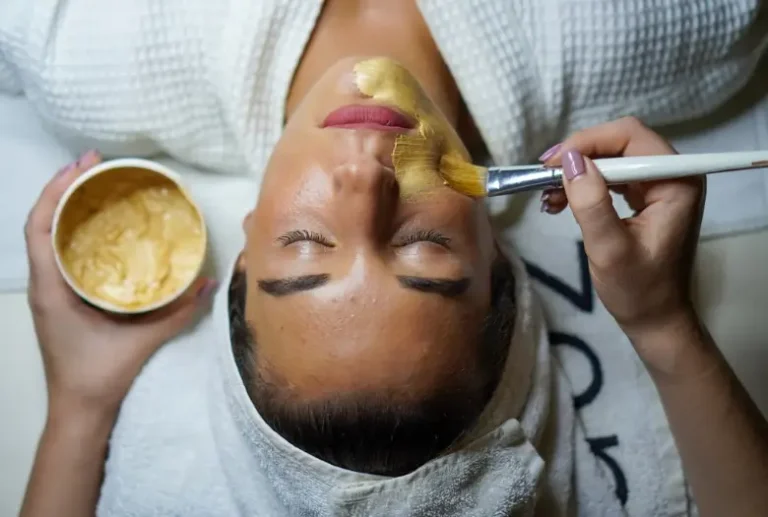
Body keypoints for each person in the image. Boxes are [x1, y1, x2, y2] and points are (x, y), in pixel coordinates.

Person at [5, 1, 768, 516]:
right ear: (496, 247)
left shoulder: (77, 49)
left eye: (306, 242)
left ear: (243, 245)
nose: (364, 182)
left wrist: (78, 401)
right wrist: (663, 324)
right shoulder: (685, 25)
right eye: (422, 245)